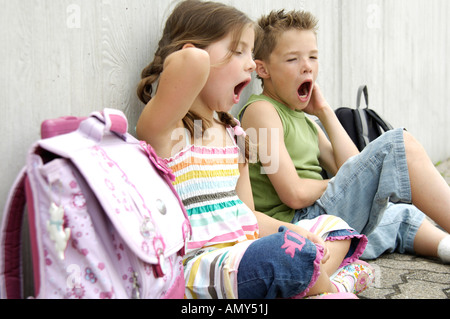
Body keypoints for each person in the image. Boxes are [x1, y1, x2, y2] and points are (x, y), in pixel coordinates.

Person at [136, 0, 372, 299]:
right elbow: (190, 62)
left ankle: (312, 278)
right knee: (285, 256)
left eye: (251, 53)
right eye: (238, 51)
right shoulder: (167, 129)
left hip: (244, 254)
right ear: (193, 50)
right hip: (201, 268)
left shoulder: (234, 134)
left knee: (330, 229)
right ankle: (333, 288)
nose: (250, 63)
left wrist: (295, 233)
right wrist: (192, 49)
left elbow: (248, 216)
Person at [239, 9, 450, 264]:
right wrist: (347, 184)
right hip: (294, 227)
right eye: (292, 59)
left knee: (400, 215)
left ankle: (444, 246)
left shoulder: (306, 121)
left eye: (313, 57)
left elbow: (353, 165)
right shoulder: (261, 111)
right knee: (398, 146)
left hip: (318, 217)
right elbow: (293, 193)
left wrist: (324, 111)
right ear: (262, 69)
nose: (307, 66)